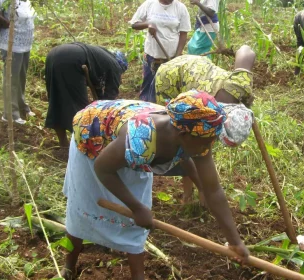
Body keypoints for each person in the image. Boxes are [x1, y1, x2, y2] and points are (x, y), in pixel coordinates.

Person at [61, 90, 253, 279]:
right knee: (84, 205)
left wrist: (235, 241)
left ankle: (138, 276)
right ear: (182, 134)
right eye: (206, 142)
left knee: (138, 221)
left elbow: (214, 190)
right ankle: (69, 266)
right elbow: (103, 168)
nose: (209, 146)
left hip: (126, 146)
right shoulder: (142, 137)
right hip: (93, 137)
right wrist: (136, 208)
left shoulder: (199, 135)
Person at [153, 45, 256, 204]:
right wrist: (205, 188)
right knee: (183, 139)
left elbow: (246, 50)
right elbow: (189, 144)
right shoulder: (201, 112)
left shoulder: (240, 84)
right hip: (170, 76)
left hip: (198, 68)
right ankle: (188, 192)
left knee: (201, 144)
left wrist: (231, 50)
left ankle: (202, 190)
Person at [44, 43, 128, 148]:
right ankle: (82, 145)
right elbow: (109, 98)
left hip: (53, 54)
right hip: (72, 59)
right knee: (79, 109)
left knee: (56, 100)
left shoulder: (102, 59)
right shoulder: (115, 66)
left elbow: (99, 90)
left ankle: (64, 143)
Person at [0, 0, 36, 124]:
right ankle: (10, 114)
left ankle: (21, 106)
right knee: (11, 78)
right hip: (11, 44)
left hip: (25, 44)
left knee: (21, 77)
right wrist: (5, 22)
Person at [129, 0, 191, 101]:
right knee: (148, 85)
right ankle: (145, 109)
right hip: (151, 56)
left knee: (167, 88)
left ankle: (163, 111)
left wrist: (177, 56)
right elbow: (134, 24)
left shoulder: (180, 8)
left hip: (171, 58)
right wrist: (147, 24)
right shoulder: (149, 4)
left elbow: (183, 33)